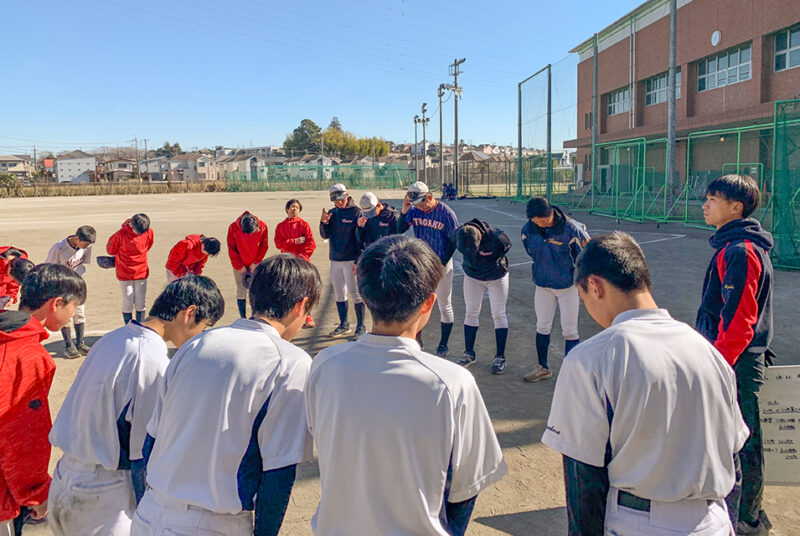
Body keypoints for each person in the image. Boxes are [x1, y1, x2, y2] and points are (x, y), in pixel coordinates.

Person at [542, 232, 748, 535]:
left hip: (637, 521)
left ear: (595, 287)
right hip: (712, 520)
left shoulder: (591, 358)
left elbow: (583, 479)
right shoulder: (708, 352)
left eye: (584, 297)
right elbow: (735, 460)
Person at [306, 235, 506, 535]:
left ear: (362, 290)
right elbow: (467, 487)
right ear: (428, 303)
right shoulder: (451, 383)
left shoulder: (325, 365)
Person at [132, 255, 321, 536]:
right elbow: (278, 473)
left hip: (150, 513)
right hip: (213, 523)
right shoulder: (291, 362)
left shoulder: (197, 343)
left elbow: (152, 440)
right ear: (301, 306)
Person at [47, 275, 225, 536]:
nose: (202, 336)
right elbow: (143, 449)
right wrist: (148, 512)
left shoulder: (113, 338)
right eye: (205, 326)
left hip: (66, 478)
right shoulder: (150, 358)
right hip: (104, 496)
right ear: (189, 313)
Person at [695, 174, 774, 535]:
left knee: (742, 439)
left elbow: (740, 321)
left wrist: (716, 366)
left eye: (712, 199)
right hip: (736, 359)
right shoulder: (733, 247)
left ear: (736, 207)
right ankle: (744, 511)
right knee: (739, 438)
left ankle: (745, 518)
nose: (705, 205)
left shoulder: (740, 250)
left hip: (736, 362)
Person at [0, 264, 87, 536]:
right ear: (56, 303)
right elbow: (20, 433)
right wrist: (36, 491)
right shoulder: (28, 355)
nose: (72, 315)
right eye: (73, 306)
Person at [520, 196, 590, 382]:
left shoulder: (570, 229)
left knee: (570, 330)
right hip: (543, 285)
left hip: (568, 286)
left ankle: (571, 372)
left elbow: (586, 256)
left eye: (543, 221)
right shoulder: (528, 230)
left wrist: (582, 282)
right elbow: (531, 251)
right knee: (542, 325)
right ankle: (542, 367)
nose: (541, 225)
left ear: (551, 212)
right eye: (536, 222)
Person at [398, 181, 459, 356]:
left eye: (421, 203)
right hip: (422, 263)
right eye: (415, 204)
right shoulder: (415, 210)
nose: (419, 208)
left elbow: (454, 240)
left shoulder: (446, 213)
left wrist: (442, 262)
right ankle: (417, 341)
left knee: (444, 304)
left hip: (441, 264)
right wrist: (404, 211)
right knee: (418, 303)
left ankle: (443, 345)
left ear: (429, 197)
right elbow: (399, 229)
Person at [454, 219, 512, 374]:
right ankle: (469, 353)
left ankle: (500, 357)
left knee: (498, 314)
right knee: (471, 312)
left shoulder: (498, 238)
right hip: (472, 276)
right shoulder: (459, 234)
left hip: (496, 278)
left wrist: (492, 263)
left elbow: (507, 248)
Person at [319, 184, 365, 338]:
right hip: (335, 259)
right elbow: (325, 235)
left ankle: (361, 325)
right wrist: (323, 223)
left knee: (355, 293)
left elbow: (361, 238)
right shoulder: (332, 213)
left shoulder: (356, 212)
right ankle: (343, 324)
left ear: (347, 195)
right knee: (340, 293)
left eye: (341, 198)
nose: (339, 202)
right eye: (336, 200)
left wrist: (358, 260)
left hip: (351, 259)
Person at [45, 225, 96, 358]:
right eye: (84, 244)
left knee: (80, 312)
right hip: (62, 285)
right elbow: (49, 266)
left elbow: (82, 263)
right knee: (66, 315)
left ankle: (80, 343)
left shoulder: (87, 247)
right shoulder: (59, 247)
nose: (86, 247)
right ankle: (69, 346)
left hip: (78, 283)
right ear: (77, 238)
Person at [274, 199, 317, 328]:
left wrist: (303, 257)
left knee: (304, 290)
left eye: (297, 207)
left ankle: (307, 316)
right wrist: (293, 241)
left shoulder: (304, 225)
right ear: (287, 209)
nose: (294, 209)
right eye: (292, 207)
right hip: (287, 262)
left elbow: (311, 243)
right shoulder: (281, 226)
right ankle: (288, 316)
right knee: (287, 289)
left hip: (301, 262)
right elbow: (278, 244)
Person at [107, 214, 154, 324]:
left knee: (140, 301)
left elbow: (148, 245)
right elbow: (111, 250)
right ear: (131, 224)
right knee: (128, 300)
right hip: (124, 271)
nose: (140, 234)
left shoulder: (148, 232)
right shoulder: (120, 235)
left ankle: (140, 325)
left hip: (141, 270)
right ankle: (128, 326)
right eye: (138, 231)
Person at [227, 211, 269, 318]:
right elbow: (231, 249)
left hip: (255, 264)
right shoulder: (233, 227)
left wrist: (256, 262)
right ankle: (243, 317)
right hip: (239, 264)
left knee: (255, 289)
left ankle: (255, 315)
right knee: (241, 289)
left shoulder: (263, 226)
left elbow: (264, 246)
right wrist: (238, 266)